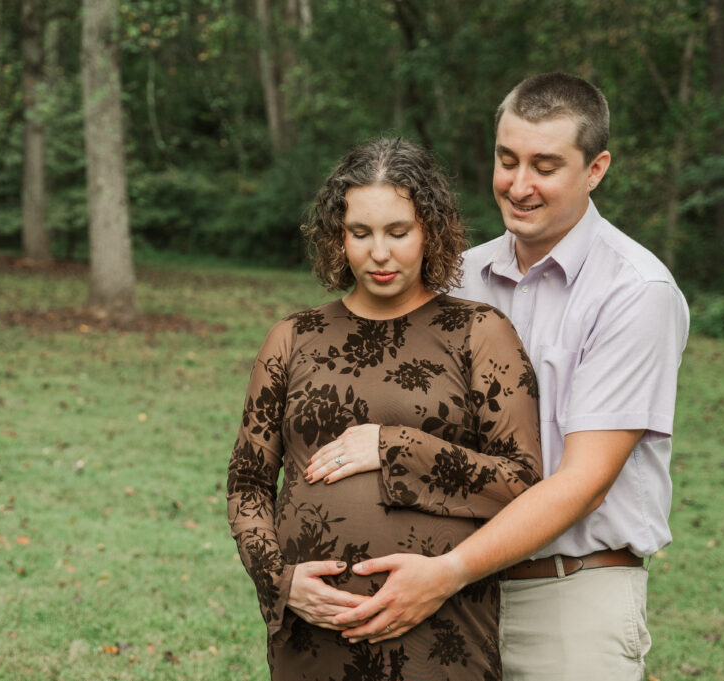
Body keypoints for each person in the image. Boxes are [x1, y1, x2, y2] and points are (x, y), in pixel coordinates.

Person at [323, 73, 690, 681]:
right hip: (442, 598)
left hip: (567, 600)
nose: (519, 185)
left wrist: (447, 572)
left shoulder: (633, 294)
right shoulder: (454, 278)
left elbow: (584, 484)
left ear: (595, 169)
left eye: (545, 166)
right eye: (506, 159)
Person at [226, 137, 542, 680]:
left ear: (431, 232)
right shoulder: (292, 338)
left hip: (440, 633)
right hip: (313, 638)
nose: (379, 252)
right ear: (336, 237)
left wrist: (395, 446)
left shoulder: (479, 333)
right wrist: (278, 578)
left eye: (398, 232)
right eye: (359, 233)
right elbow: (248, 484)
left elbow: (520, 482)